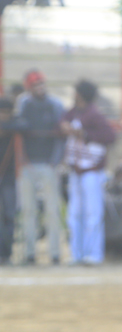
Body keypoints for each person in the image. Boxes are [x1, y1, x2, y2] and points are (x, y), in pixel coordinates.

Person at [61, 79, 116, 265]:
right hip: (75, 170)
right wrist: (64, 126)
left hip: (92, 171)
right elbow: (61, 120)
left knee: (93, 213)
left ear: (81, 94)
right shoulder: (73, 112)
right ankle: (76, 254)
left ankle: (94, 254)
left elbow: (110, 136)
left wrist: (85, 135)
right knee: (74, 213)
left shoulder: (95, 114)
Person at [13, 69, 65, 264]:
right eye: (35, 85)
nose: (40, 87)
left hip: (48, 164)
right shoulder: (24, 104)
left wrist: (55, 161)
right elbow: (18, 130)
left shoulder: (55, 105)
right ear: (29, 88)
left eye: (41, 83)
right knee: (28, 211)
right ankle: (29, 253)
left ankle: (55, 253)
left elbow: (60, 134)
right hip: (27, 165)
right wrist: (22, 159)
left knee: (52, 210)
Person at [0, 97, 16, 265]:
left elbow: (23, 125)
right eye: (2, 112)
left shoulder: (14, 125)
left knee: (9, 216)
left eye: (7, 112)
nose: (4, 115)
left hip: (9, 179)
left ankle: (6, 254)